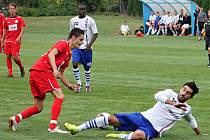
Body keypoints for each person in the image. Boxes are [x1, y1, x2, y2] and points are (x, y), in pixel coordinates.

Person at [8, 28, 84, 133]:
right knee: (59, 96)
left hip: (35, 72)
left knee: (39, 107)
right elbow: (51, 54)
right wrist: (54, 69)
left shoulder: (68, 55)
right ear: (73, 37)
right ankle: (52, 127)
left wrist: (69, 85)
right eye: (80, 39)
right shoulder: (63, 44)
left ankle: (16, 119)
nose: (82, 42)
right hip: (42, 71)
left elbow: (60, 73)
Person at [64, 81, 201, 140]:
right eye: (184, 89)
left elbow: (191, 120)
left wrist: (199, 133)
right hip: (141, 117)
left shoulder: (186, 109)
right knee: (110, 118)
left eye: (188, 93)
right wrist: (172, 103)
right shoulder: (169, 92)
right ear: (180, 88)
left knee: (138, 136)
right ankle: (77, 128)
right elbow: (157, 95)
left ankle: (121, 135)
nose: (184, 93)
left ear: (191, 97)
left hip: (153, 129)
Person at [69, 3, 98, 92]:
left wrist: (89, 45)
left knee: (87, 67)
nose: (81, 11)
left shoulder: (90, 20)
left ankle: (88, 85)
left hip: (86, 48)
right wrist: (69, 45)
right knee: (75, 63)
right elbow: (71, 34)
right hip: (76, 48)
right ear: (77, 10)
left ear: (86, 10)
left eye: (83, 9)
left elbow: (95, 33)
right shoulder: (73, 20)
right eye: (79, 9)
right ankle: (79, 84)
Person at [1, 3, 25, 77]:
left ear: (15, 9)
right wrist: (2, 41)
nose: (12, 10)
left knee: (15, 57)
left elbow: (22, 30)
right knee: (8, 56)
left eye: (13, 9)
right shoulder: (6, 20)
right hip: (8, 41)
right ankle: (10, 73)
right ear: (9, 10)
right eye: (10, 9)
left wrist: (19, 37)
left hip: (15, 41)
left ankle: (21, 67)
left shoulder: (19, 18)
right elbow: (5, 31)